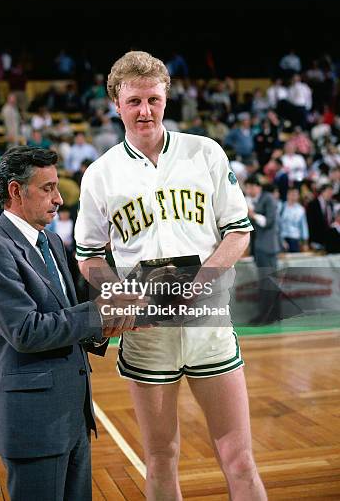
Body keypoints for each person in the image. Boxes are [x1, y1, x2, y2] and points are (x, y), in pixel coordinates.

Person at [75, 51, 266, 500]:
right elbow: (88, 256)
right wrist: (120, 294)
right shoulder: (100, 174)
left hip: (208, 323)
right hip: (147, 332)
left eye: (154, 100)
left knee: (239, 457)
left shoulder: (205, 152)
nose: (145, 111)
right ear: (116, 105)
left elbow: (238, 232)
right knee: (161, 457)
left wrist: (201, 284)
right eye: (135, 101)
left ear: (166, 99)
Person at [0, 146, 144, 501]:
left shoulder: (49, 241)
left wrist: (107, 327)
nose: (60, 199)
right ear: (16, 191)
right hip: (35, 422)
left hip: (73, 416)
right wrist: (99, 312)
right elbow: (26, 331)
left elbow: (64, 315)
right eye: (48, 188)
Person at [245, 176, 281, 324]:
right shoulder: (254, 200)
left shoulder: (268, 199)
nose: (248, 190)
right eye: (247, 187)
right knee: (266, 282)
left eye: (250, 187)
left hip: (267, 247)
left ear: (258, 187)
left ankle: (268, 316)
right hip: (259, 248)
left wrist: (252, 214)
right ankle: (271, 315)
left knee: (268, 282)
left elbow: (269, 221)